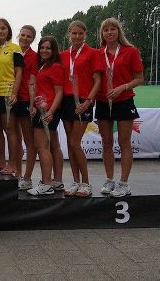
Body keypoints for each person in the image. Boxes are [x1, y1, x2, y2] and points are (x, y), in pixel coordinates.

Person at [96, 18, 144, 197]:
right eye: (106, 29)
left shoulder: (131, 51)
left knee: (124, 143)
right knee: (106, 143)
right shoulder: (98, 53)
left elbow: (139, 79)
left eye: (113, 29)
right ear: (102, 34)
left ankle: (124, 183)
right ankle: (110, 180)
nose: (109, 32)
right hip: (102, 102)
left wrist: (122, 87)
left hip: (124, 100)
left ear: (119, 31)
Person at [60, 21, 103, 197]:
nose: (76, 36)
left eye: (80, 33)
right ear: (68, 34)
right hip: (67, 102)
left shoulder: (93, 53)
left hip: (83, 102)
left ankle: (86, 182)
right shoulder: (62, 55)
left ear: (85, 34)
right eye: (73, 33)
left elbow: (98, 80)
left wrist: (88, 102)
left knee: (74, 143)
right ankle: (76, 181)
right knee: (70, 146)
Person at [27, 36, 65, 196]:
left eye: (48, 48)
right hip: (43, 110)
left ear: (54, 50)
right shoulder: (43, 66)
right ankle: (56, 181)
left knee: (42, 147)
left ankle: (46, 184)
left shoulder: (55, 67)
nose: (44, 50)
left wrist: (50, 112)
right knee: (53, 146)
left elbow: (59, 92)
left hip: (48, 112)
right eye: (42, 47)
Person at [0, 18, 24, 176]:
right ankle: (1, 161)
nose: (0, 31)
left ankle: (13, 163)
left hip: (7, 94)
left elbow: (19, 72)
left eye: (3, 28)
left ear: (8, 30)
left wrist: (14, 92)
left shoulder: (15, 48)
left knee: (10, 130)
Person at [15, 25, 39, 190]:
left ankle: (27, 176)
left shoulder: (34, 57)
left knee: (29, 141)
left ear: (32, 39)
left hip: (25, 100)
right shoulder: (12, 52)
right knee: (15, 139)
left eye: (28, 36)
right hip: (11, 99)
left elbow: (32, 81)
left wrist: (31, 104)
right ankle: (16, 173)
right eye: (22, 35)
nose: (24, 38)